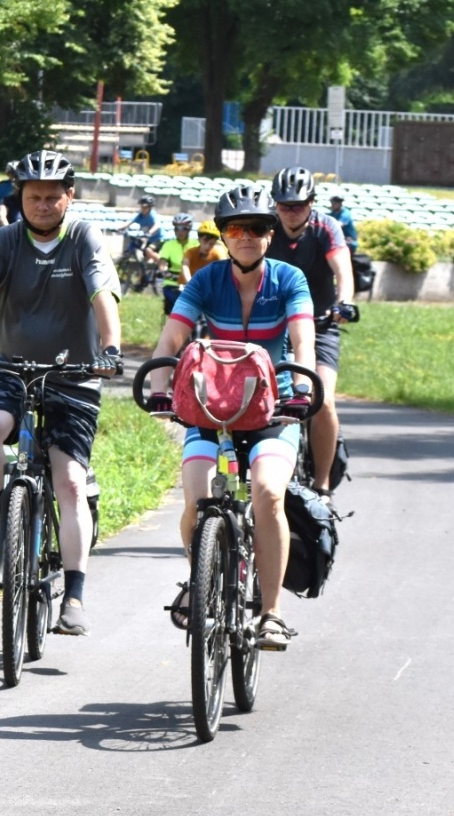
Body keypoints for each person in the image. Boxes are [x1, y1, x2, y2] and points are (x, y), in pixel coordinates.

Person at [0, 149, 123, 637]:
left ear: (69, 197)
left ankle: (76, 596)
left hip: (75, 374)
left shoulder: (84, 237)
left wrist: (110, 348)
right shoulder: (4, 240)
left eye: (51, 197)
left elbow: (102, 296)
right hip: (12, 368)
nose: (41, 205)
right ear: (20, 197)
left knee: (69, 483)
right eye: (33, 196)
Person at [144, 184, 315, 651]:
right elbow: (171, 340)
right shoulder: (206, 281)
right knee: (196, 497)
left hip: (273, 410)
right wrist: (159, 390)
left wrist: (301, 388)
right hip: (212, 410)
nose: (247, 236)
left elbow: (303, 339)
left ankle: (272, 612)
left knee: (267, 493)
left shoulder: (288, 280)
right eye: (236, 228)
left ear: (270, 235)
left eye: (258, 228)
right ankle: (199, 580)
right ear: (224, 235)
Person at [264, 166, 353, 499]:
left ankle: (322, 485)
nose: (290, 212)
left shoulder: (326, 228)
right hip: (275, 325)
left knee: (324, 401)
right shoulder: (267, 230)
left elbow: (342, 269)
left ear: (312, 203)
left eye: (298, 205)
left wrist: (345, 303)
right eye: (284, 205)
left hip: (320, 324)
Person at [156, 212, 198, 315]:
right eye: (177, 228)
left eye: (183, 228)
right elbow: (162, 264)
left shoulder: (196, 244)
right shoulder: (168, 245)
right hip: (172, 283)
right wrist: (166, 273)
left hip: (191, 282)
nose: (180, 231)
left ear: (189, 229)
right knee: (176, 307)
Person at [183, 218, 227, 283]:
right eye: (205, 241)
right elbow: (185, 266)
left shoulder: (217, 253)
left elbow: (224, 269)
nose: (207, 246)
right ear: (199, 239)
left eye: (211, 244)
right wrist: (190, 283)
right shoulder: (191, 252)